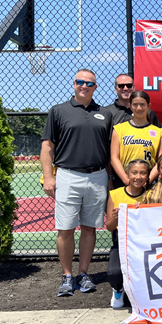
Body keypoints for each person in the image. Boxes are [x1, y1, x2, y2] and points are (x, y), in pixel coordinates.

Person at [42, 69, 115, 297]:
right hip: (67, 175)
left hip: (97, 176)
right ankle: (66, 275)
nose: (84, 86)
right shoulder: (58, 111)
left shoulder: (105, 113)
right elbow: (47, 147)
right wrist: (49, 177)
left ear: (96, 87)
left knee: (89, 228)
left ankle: (83, 274)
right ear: (73, 84)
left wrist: (110, 180)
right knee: (65, 229)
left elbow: (111, 150)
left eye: (89, 83)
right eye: (80, 82)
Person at [103, 159, 151, 309]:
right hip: (122, 243)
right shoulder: (115, 194)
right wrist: (115, 217)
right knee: (115, 273)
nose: (138, 177)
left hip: (144, 243)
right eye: (134, 172)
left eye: (143, 173)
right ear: (127, 174)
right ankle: (118, 289)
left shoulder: (151, 196)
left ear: (148, 176)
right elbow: (109, 227)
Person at [110, 90, 162, 189]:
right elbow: (114, 158)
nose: (139, 108)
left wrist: (148, 181)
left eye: (142, 104)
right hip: (124, 182)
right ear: (130, 105)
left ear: (149, 105)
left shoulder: (159, 132)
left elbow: (160, 161)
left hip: (148, 184)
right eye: (135, 105)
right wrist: (126, 180)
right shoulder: (119, 129)